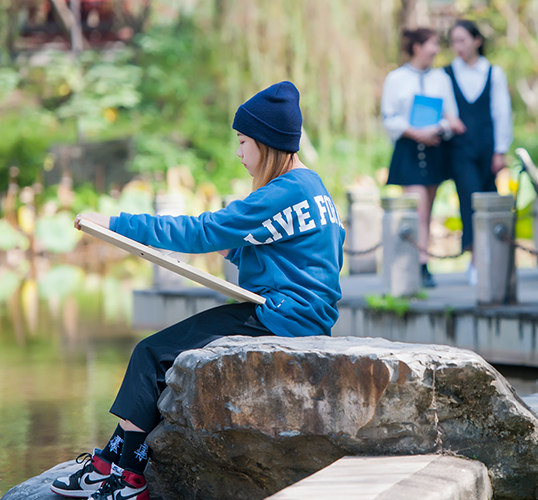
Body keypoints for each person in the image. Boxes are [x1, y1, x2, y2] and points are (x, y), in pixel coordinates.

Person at [50, 81, 345, 500]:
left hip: (279, 319)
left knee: (151, 353)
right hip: (303, 315)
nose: (239, 153)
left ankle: (126, 474)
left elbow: (202, 230)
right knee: (161, 350)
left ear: (265, 143)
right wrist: (240, 255)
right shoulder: (313, 187)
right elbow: (310, 258)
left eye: (243, 142)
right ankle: (112, 463)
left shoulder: (279, 193)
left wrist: (116, 224)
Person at [381, 28, 464, 288]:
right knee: (417, 207)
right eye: (432, 44)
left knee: (428, 207)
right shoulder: (396, 78)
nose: (436, 49)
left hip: (435, 146)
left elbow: (452, 116)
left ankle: (423, 262)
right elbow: (389, 117)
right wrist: (415, 132)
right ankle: (418, 264)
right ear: (417, 47)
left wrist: (436, 130)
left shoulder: (441, 78)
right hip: (409, 147)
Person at [445, 20, 513, 285]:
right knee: (468, 199)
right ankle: (475, 258)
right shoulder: (446, 73)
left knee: (489, 197)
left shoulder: (493, 72)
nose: (458, 47)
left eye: (463, 40)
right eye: (454, 41)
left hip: (487, 147)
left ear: (477, 40)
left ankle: (490, 257)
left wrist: (501, 151)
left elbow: (501, 112)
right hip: (460, 148)